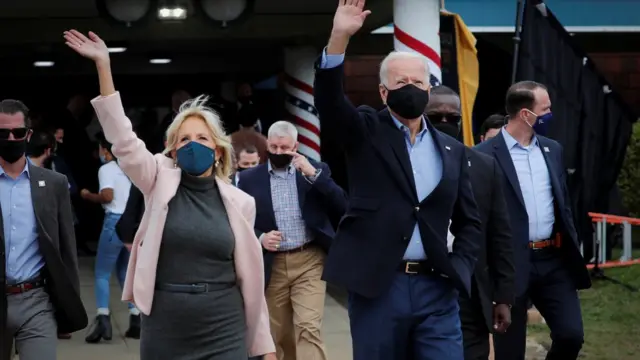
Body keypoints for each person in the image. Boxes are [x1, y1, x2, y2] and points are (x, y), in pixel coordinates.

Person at [64, 29, 276, 360]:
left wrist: (264, 347)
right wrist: (104, 66)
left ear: (219, 151)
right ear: (173, 150)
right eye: (184, 139)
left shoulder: (241, 202)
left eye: (203, 139)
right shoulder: (156, 180)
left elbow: (250, 279)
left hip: (224, 324)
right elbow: (123, 139)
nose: (194, 145)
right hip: (165, 324)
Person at [314, 2, 482, 360]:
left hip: (437, 288)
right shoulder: (365, 131)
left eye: (418, 82)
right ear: (383, 92)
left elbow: (470, 221)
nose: (410, 88)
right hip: (379, 287)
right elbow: (330, 103)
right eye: (401, 82)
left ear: (429, 88)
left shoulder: (452, 149)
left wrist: (461, 267)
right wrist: (339, 37)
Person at [475, 81, 591, 360]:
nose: (551, 114)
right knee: (509, 349)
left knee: (570, 335)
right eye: (546, 108)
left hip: (552, 259)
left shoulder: (553, 149)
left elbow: (562, 203)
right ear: (526, 114)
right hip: (510, 264)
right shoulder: (483, 155)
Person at [238, 121, 347, 360]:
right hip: (272, 264)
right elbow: (238, 221)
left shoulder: (314, 170)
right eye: (274, 147)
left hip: (309, 259)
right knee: (277, 334)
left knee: (308, 328)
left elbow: (342, 205)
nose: (278, 152)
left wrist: (314, 175)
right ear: (267, 144)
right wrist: (260, 237)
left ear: (295, 146)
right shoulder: (249, 179)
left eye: (284, 148)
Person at [427, 86, 516, 360]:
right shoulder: (404, 163)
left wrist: (503, 297)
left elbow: (499, 234)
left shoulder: (483, 166)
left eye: (452, 118)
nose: (445, 123)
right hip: (419, 282)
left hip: (469, 286)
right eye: (435, 117)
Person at [0, 99, 87, 360]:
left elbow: (66, 249)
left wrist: (68, 305)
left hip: (36, 301)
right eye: (3, 133)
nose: (10, 138)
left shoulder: (54, 184)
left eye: (17, 133)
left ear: (28, 134)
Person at [80, 135, 140, 342]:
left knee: (102, 274)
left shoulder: (106, 169)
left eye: (100, 149)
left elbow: (107, 196)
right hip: (131, 224)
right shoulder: (133, 168)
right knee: (125, 272)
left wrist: (87, 195)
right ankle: (136, 318)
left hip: (114, 222)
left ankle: (103, 319)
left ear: (106, 151)